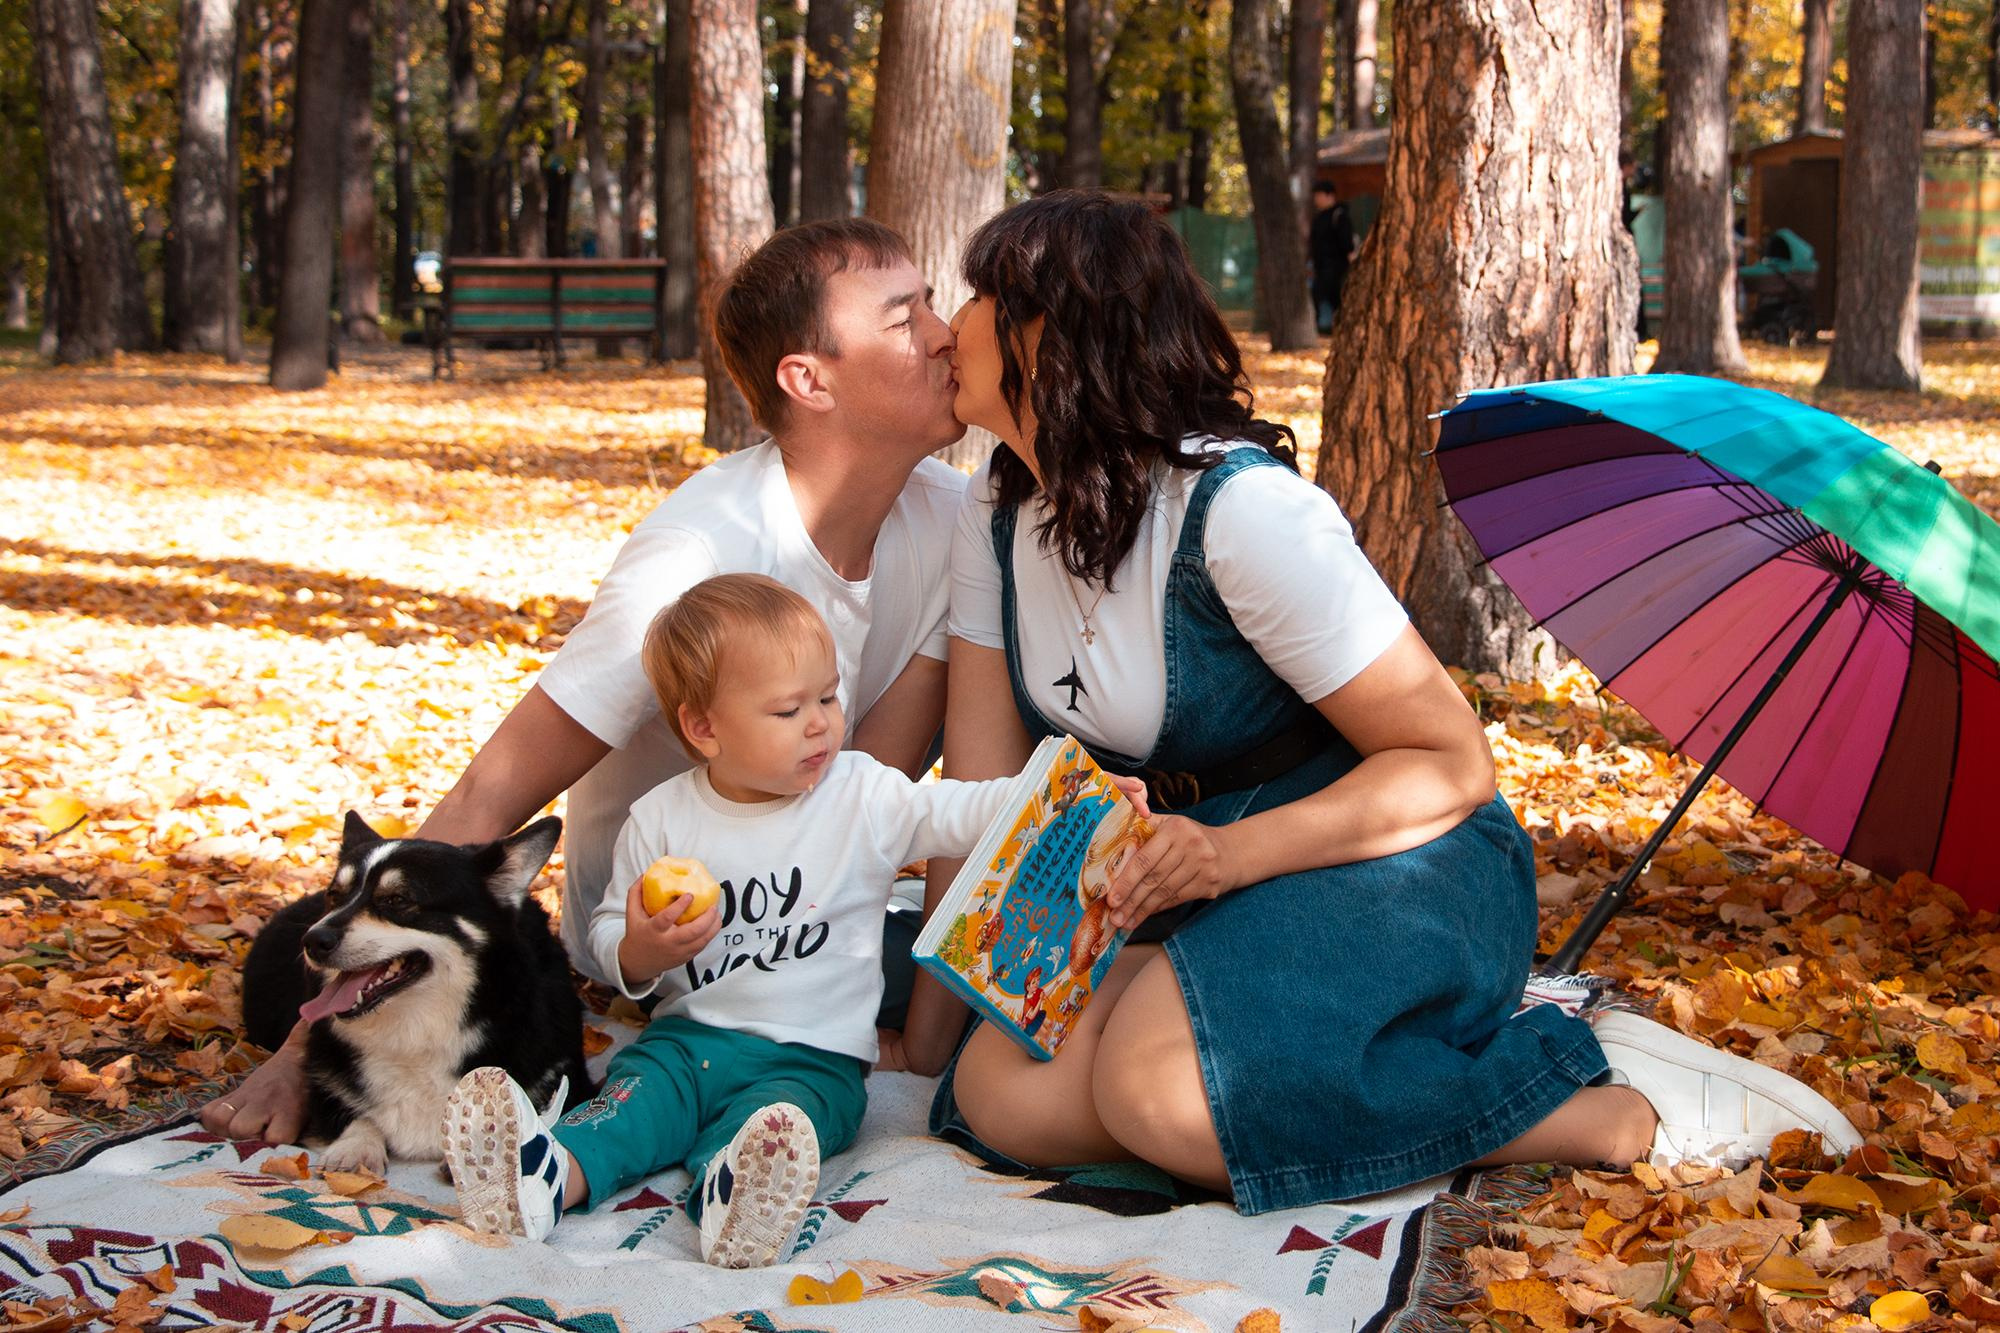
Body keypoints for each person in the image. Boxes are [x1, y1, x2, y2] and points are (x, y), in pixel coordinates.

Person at [888, 190, 1862, 1216]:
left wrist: (1218, 854)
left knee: (1155, 1095)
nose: (952, 324)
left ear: (1055, 331)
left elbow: (1450, 763)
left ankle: (1575, 1098)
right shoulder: (994, 515)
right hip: (1184, 889)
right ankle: (1328, 1074)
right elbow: (987, 788)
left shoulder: (1241, 513)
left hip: (1392, 864)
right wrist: (926, 1041)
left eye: (982, 295)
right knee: (999, 1098)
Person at [205, 218, 968, 1147]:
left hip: (810, 904)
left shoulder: (954, 526)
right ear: (809, 378)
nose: (945, 332)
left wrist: (920, 1033)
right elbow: (499, 785)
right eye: (906, 316)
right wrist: (301, 1050)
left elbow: (866, 796)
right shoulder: (697, 557)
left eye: (932, 304)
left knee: (1031, 992)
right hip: (662, 941)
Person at [439, 574, 1139, 1263]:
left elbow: (960, 808)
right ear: (704, 727)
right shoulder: (661, 818)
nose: (819, 722)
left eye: (829, 696)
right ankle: (540, 1175)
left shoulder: (861, 794)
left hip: (812, 1057)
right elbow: (606, 933)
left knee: (773, 1130)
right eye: (786, 710)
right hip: (687, 1042)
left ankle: (736, 1197)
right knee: (628, 1104)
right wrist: (645, 949)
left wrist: (1071, 793)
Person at [1308, 181, 1354, 335]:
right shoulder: (1319, 217)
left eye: (1319, 195)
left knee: (1331, 296)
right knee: (1325, 296)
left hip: (1336, 266)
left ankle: (1340, 330)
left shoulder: (1339, 215)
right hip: (1320, 266)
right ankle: (1330, 330)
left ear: (1329, 196)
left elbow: (1347, 242)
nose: (1316, 199)